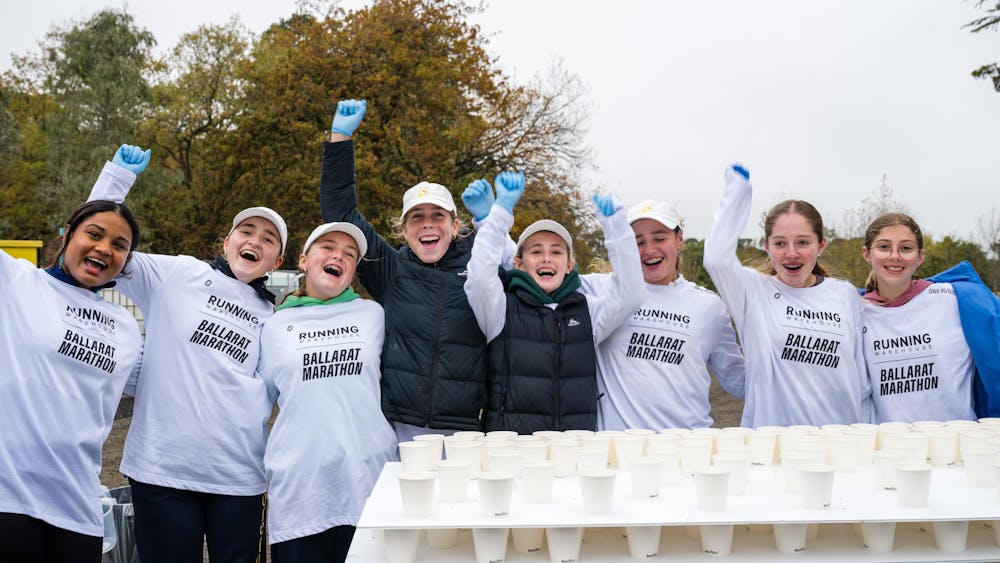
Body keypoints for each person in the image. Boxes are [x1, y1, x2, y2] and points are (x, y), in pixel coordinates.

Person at [88, 145, 284, 562]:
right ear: (227, 241)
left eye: (268, 239)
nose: (255, 241)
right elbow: (96, 244)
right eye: (247, 232)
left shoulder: (274, 316)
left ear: (277, 260)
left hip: (238, 478)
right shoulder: (178, 274)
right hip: (162, 471)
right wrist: (116, 181)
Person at [319, 99, 511, 442]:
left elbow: (514, 271)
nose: (427, 225)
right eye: (417, 217)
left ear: (454, 226)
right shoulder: (391, 270)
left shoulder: (482, 272)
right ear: (404, 230)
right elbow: (341, 214)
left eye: (437, 216)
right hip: (399, 429)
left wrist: (489, 221)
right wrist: (339, 140)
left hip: (465, 434)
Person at [0, 158, 143, 561]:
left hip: (78, 506)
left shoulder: (126, 326)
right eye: (93, 235)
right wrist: (115, 180)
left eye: (119, 245)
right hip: (9, 498)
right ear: (66, 235)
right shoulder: (16, 282)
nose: (104, 248)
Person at [462, 172, 645, 434]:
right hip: (512, 453)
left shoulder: (587, 311)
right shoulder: (500, 309)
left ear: (570, 265)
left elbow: (632, 294)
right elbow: (480, 276)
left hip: (573, 451)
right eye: (536, 251)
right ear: (519, 264)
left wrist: (616, 229)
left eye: (556, 252)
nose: (546, 258)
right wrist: (499, 212)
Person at [257, 221, 395, 563]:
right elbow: (254, 402)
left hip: (367, 484)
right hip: (301, 490)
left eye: (349, 254)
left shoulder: (373, 314)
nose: (339, 256)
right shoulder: (272, 325)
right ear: (304, 260)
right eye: (328, 247)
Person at [703, 164, 870, 427]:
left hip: (837, 445)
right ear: (766, 246)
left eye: (803, 242)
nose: (791, 253)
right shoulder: (753, 291)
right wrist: (738, 193)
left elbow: (860, 378)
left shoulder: (844, 294)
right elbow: (715, 258)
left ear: (821, 245)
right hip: (771, 449)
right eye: (780, 243)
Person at [586, 200, 745, 431]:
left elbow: (737, 379)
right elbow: (536, 279)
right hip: (619, 451)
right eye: (637, 242)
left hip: (688, 449)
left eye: (659, 238)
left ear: (679, 239)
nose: (649, 250)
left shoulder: (709, 305)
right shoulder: (599, 289)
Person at [860, 212, 981, 422]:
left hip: (955, 443)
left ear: (920, 256)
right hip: (889, 446)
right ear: (866, 254)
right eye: (884, 247)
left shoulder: (954, 300)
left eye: (906, 248)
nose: (895, 256)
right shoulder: (855, 312)